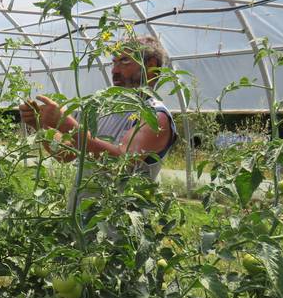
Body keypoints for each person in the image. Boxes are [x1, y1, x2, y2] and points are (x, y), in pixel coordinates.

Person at [19, 35, 177, 202]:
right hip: (81, 220)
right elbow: (66, 154)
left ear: (151, 66)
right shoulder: (103, 109)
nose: (114, 70)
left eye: (124, 62)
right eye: (114, 63)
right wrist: (42, 126)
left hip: (117, 224)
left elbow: (120, 163)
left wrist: (65, 124)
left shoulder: (155, 116)